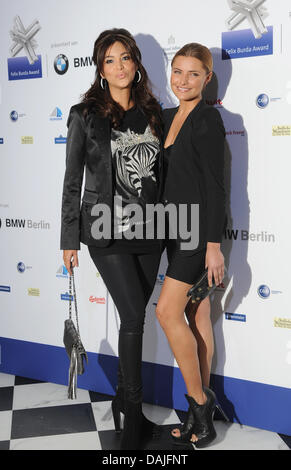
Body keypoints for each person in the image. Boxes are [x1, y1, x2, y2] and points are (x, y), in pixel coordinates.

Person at [60, 28, 163, 450]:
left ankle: (124, 400)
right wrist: (69, 238)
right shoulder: (84, 114)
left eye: (125, 58)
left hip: (152, 230)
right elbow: (71, 182)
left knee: (132, 320)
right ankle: (134, 418)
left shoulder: (155, 112)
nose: (119, 67)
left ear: (136, 63)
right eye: (110, 60)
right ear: (100, 69)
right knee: (136, 317)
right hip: (105, 230)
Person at [156, 43, 226, 448]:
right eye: (177, 72)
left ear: (207, 78)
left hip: (198, 235)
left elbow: (216, 187)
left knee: (167, 312)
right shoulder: (165, 117)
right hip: (171, 229)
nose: (183, 80)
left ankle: (201, 403)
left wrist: (213, 245)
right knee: (198, 318)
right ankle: (200, 416)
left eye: (193, 74)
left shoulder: (208, 119)